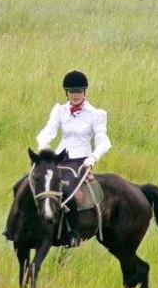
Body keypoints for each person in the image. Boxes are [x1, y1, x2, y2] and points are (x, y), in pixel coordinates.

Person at [35, 70, 112, 247]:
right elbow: (49, 130)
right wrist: (44, 145)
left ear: (85, 92)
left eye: (78, 92)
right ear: (66, 92)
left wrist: (93, 158)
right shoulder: (59, 110)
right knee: (33, 182)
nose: (75, 95)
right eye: (71, 92)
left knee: (68, 191)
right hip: (59, 158)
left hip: (81, 161)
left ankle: (74, 233)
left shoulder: (96, 114)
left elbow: (103, 141)